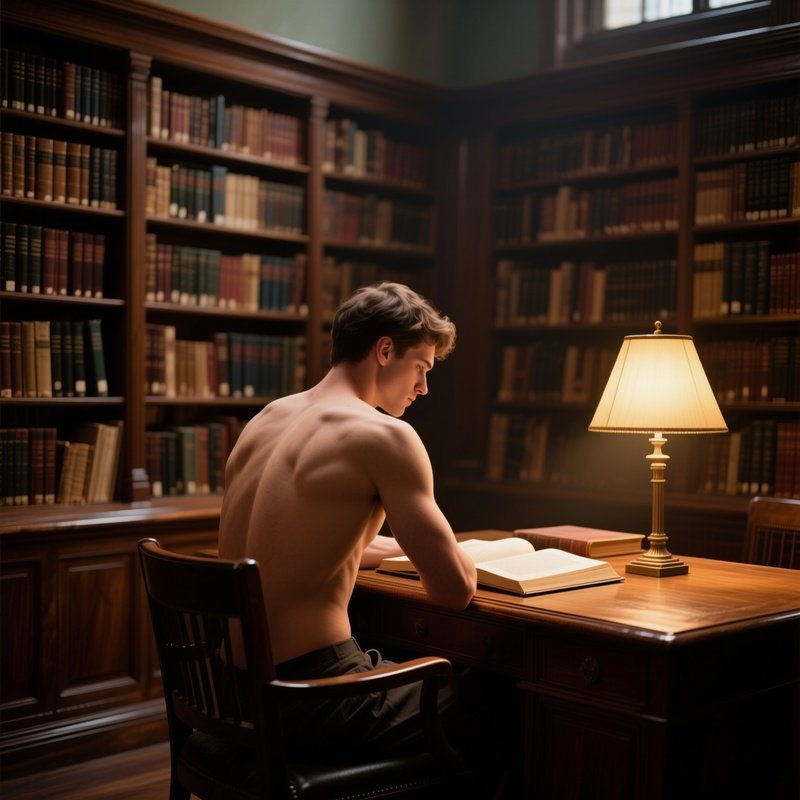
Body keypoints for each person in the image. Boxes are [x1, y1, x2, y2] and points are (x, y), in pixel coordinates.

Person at [218, 281, 516, 782]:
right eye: (421, 368)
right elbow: (453, 590)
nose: (422, 387)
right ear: (384, 350)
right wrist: (472, 553)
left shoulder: (268, 419)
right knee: (498, 698)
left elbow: (300, 539)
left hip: (230, 692)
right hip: (310, 699)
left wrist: (404, 548)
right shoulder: (385, 436)